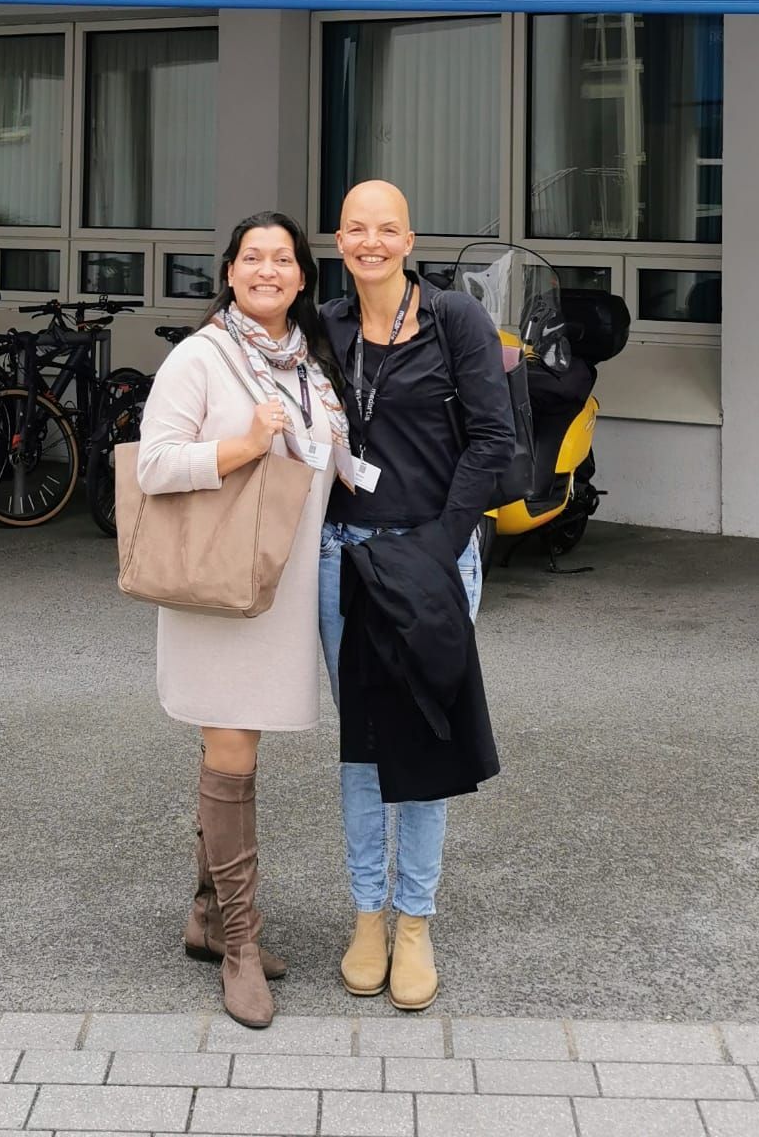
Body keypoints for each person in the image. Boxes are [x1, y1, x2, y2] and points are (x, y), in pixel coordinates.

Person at [135, 211, 345, 1029]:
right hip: (221, 589)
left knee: (236, 752)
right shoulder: (203, 356)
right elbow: (154, 465)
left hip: (282, 585)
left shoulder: (307, 362)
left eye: (282, 259)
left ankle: (207, 918)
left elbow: (327, 458)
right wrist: (242, 447)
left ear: (302, 277)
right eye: (252, 257)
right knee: (233, 754)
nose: (267, 270)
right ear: (228, 272)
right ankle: (242, 947)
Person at [318, 179, 516, 1011]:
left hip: (432, 558)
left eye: (386, 228)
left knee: (426, 737)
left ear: (409, 239)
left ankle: (415, 919)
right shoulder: (324, 325)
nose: (371, 242)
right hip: (345, 560)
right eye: (356, 229)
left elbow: (493, 439)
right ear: (339, 241)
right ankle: (367, 913)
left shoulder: (454, 319)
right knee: (364, 745)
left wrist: (439, 546)